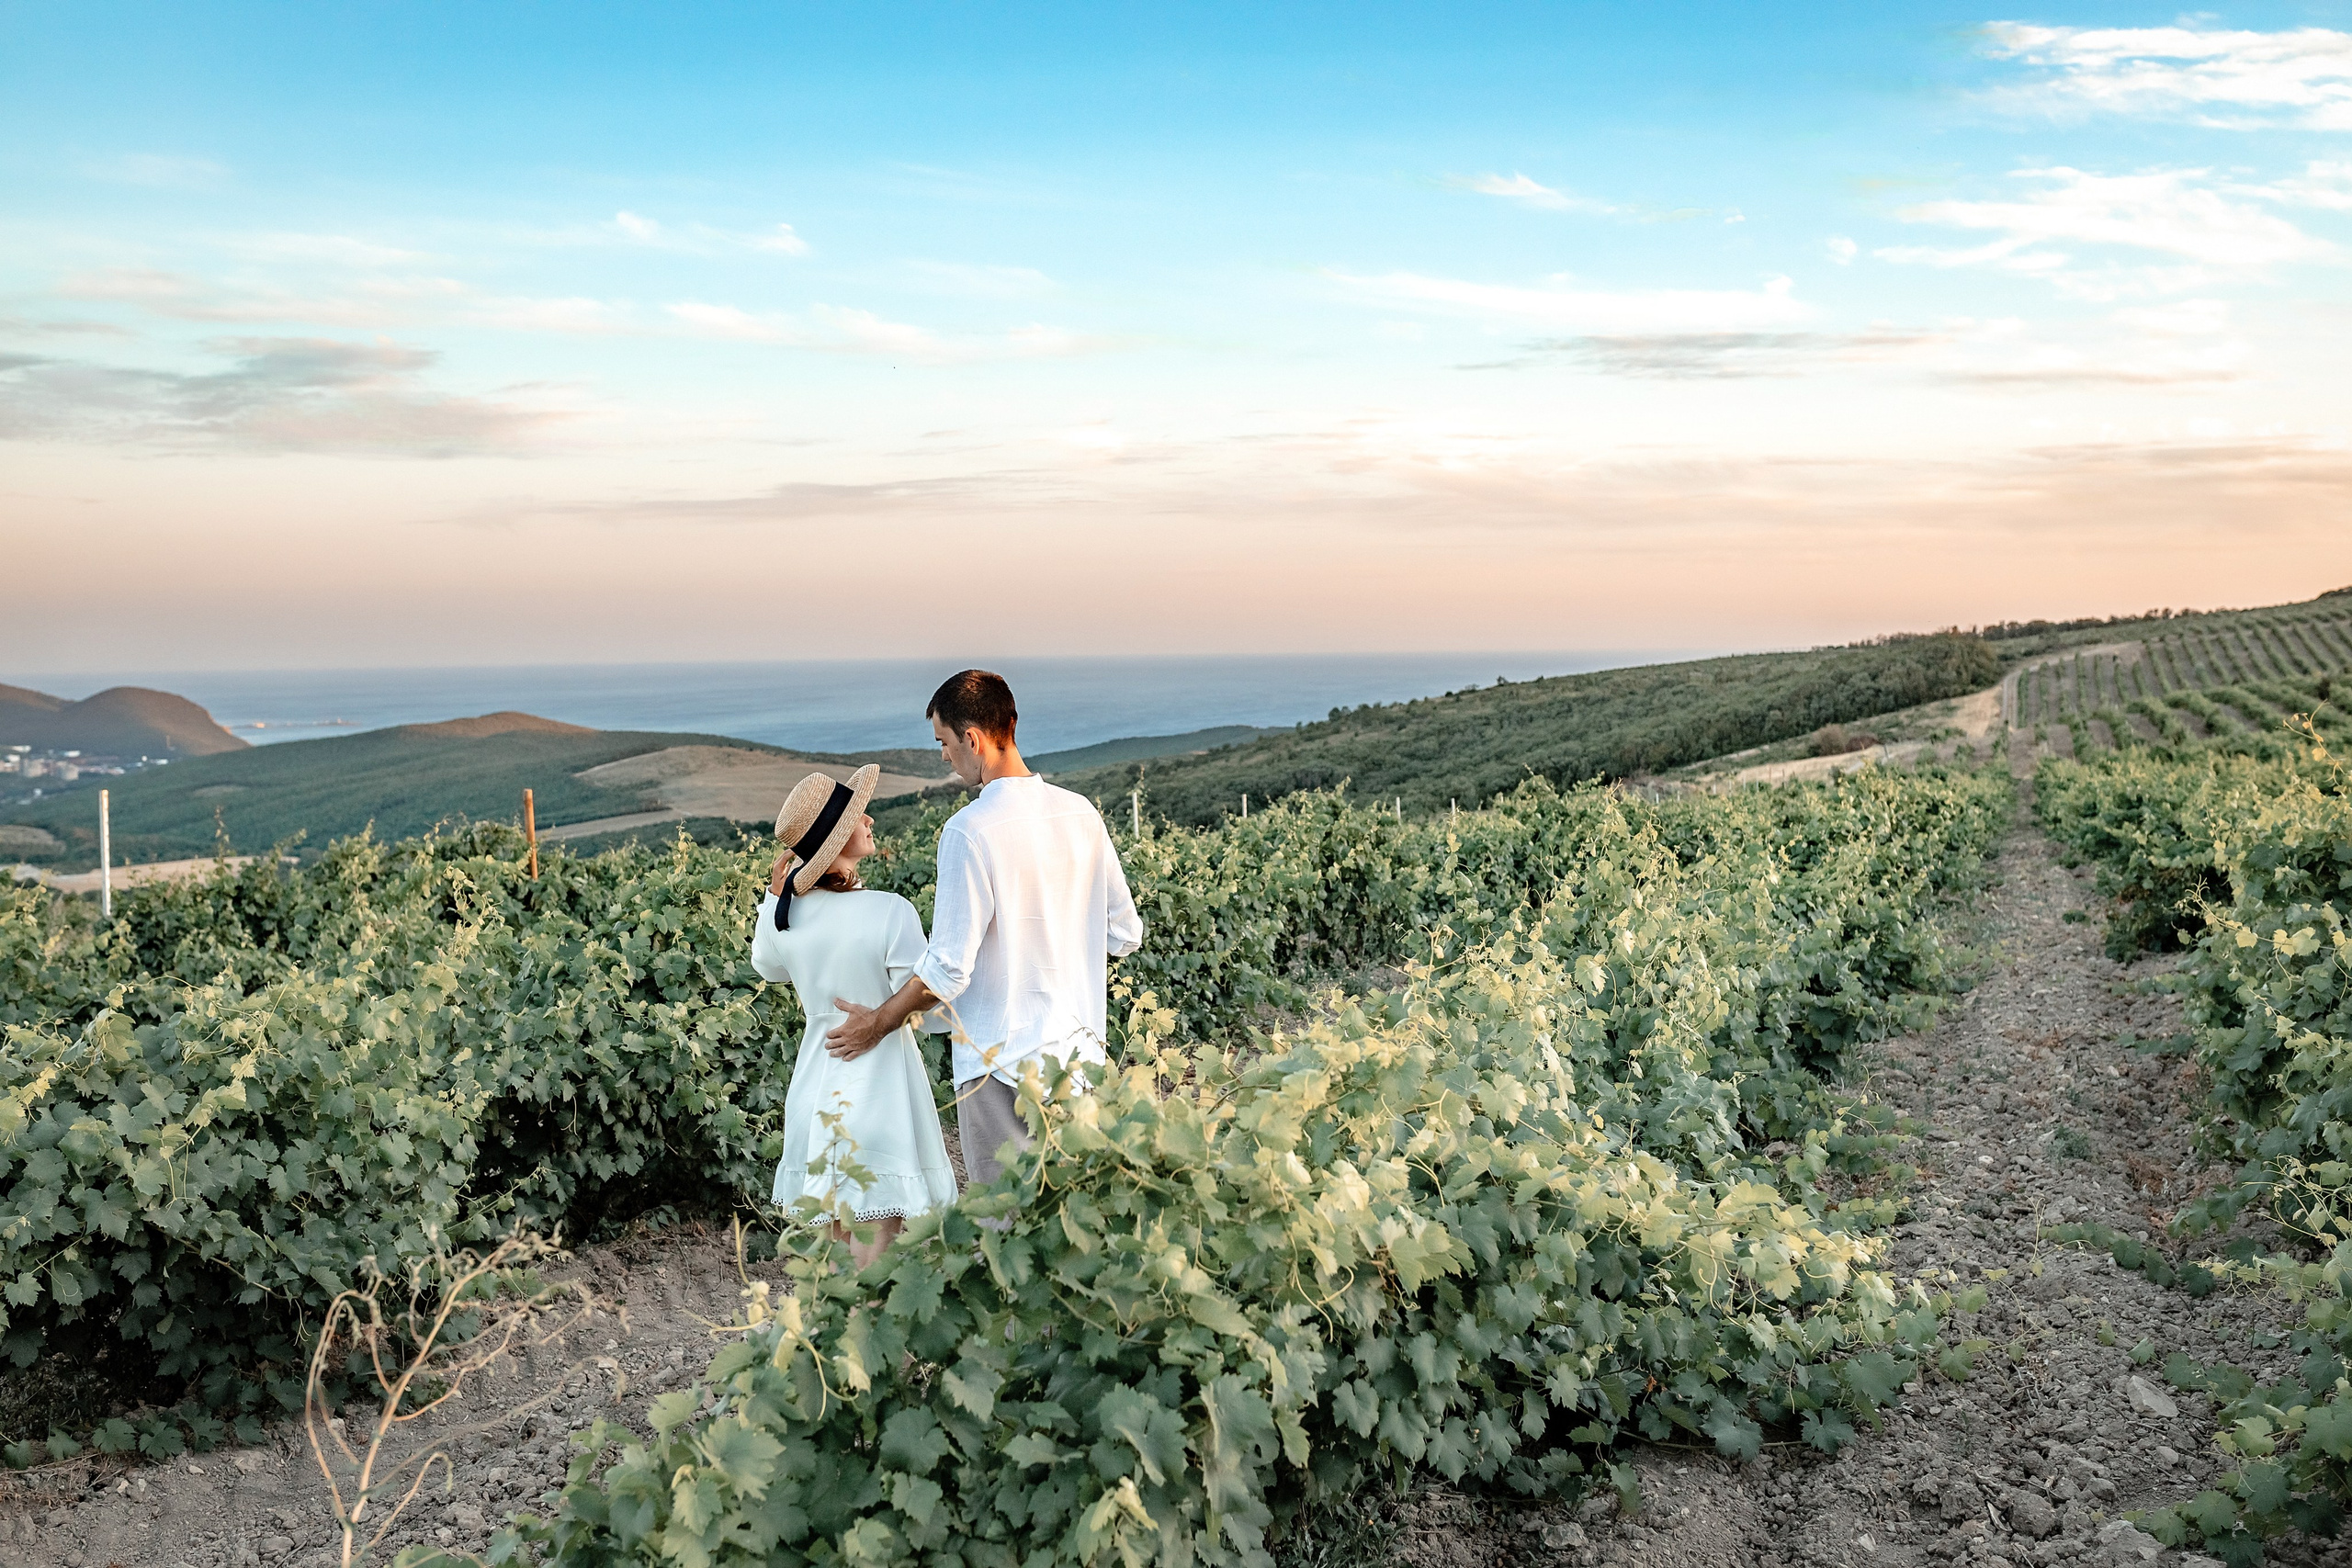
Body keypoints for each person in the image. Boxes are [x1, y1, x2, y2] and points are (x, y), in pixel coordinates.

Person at [824, 670, 1144, 1187]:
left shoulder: (969, 830)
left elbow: (948, 969)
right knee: (1075, 1237)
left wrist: (876, 1024)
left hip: (1000, 1070)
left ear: (972, 739)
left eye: (944, 743)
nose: (944, 757)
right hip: (1080, 1064)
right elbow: (1125, 934)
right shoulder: (1081, 813)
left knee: (1005, 1240)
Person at [752, 764, 957, 1267]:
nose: (868, 818)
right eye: (854, 814)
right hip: (879, 1091)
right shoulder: (890, 911)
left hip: (816, 1088)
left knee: (837, 1264)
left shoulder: (784, 918)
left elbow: (767, 964)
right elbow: (930, 1002)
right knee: (876, 1258)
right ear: (836, 837)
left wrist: (774, 899)